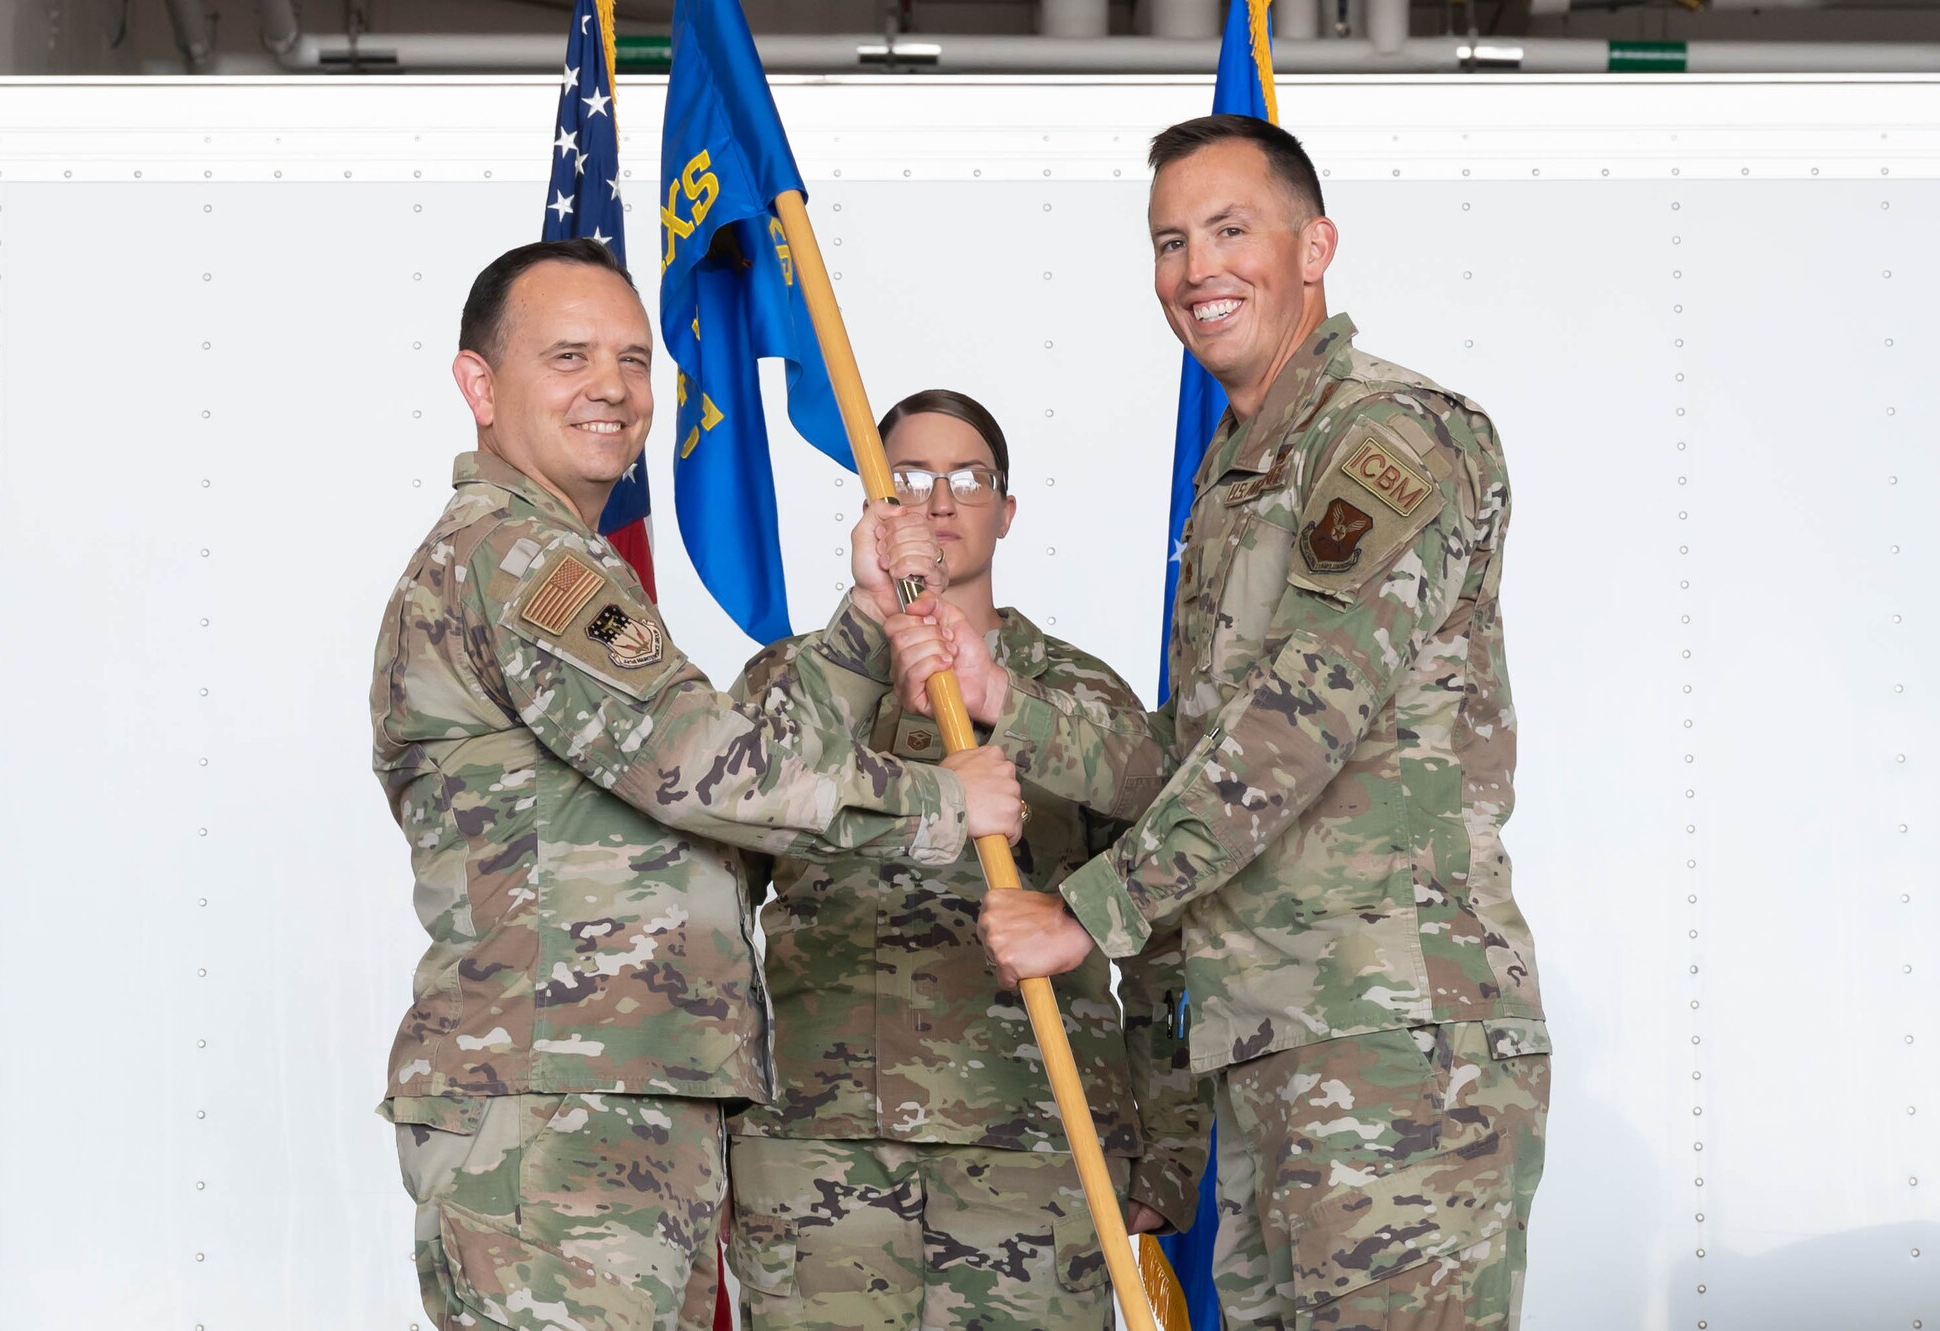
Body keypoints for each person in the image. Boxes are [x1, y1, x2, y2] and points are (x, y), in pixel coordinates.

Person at [886, 116, 1552, 1330]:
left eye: (1231, 230)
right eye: (1169, 241)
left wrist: (1085, 914)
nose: (1197, 269)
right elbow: (1188, 760)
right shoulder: (1238, 472)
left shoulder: (1384, 436)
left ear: (1316, 247)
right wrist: (1005, 701)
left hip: (1388, 1040)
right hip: (1263, 1041)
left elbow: (1296, 726)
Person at [369, 239, 1022, 1331]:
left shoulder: (548, 557)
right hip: (559, 1103)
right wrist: (940, 804)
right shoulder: (523, 561)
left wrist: (865, 622)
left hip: (612, 1093)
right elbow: (700, 768)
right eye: (568, 355)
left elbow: (716, 772)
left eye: (633, 359)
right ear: (479, 385)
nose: (613, 388)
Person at [721, 390, 1211, 1331]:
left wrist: (1171, 1146)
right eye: (905, 481)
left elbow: (1172, 919)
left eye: (967, 479)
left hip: (1036, 1149)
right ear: (873, 511)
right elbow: (708, 890)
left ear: (1007, 509)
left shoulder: (1077, 696)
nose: (938, 503)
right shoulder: (800, 685)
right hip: (819, 1153)